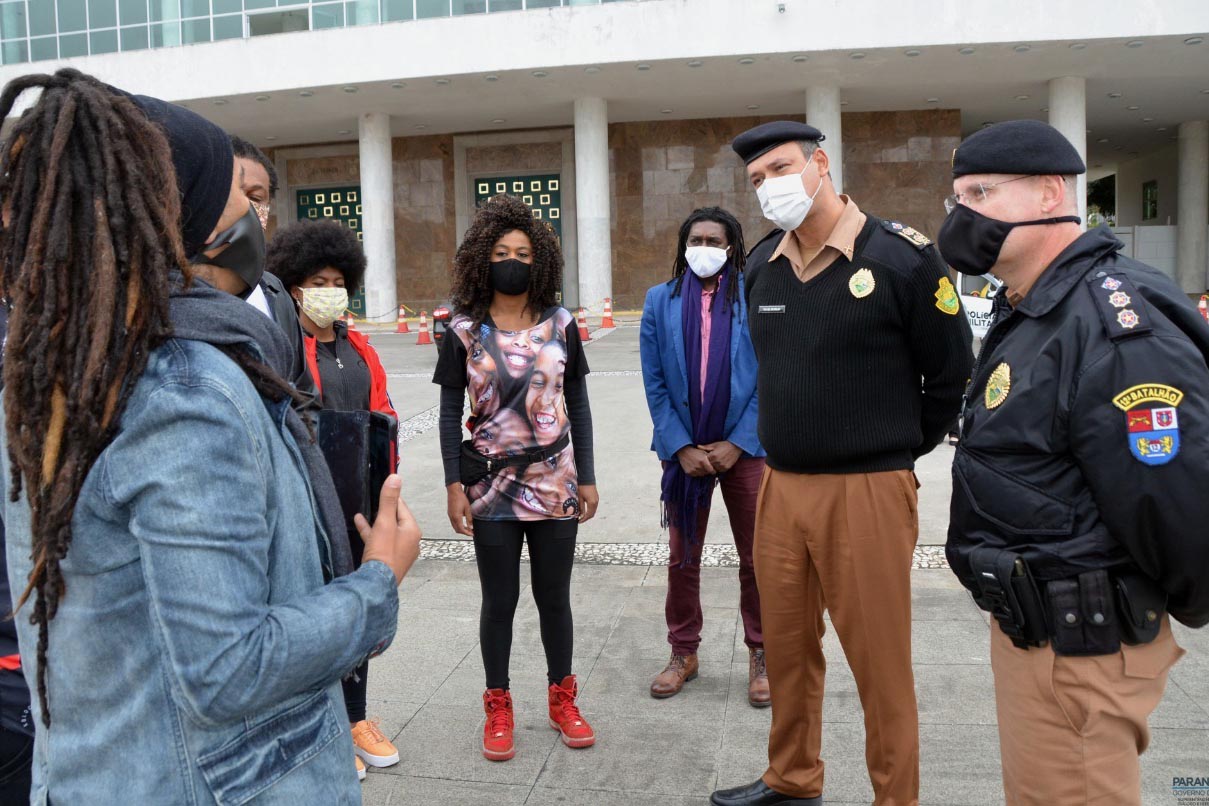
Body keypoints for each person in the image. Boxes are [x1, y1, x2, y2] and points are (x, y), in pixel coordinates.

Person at [0, 69, 420, 803]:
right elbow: (228, 670)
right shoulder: (183, 390)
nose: (256, 218)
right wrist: (378, 580)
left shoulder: (63, 368)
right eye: (237, 196)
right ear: (185, 217)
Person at [940, 119, 1209, 806]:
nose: (962, 215)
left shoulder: (1111, 320)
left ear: (1049, 193)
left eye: (981, 193)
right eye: (957, 199)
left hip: (1081, 647)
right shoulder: (1036, 307)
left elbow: (1171, 496)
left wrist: (1175, 601)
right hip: (1039, 632)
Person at [711, 121, 974, 806]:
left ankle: (896, 797)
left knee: (879, 663)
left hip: (866, 492)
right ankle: (792, 777)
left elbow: (951, 374)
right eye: (756, 179)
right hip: (781, 488)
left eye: (780, 168)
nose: (769, 186)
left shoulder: (900, 259)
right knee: (787, 650)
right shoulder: (760, 266)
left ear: (820, 163)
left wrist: (894, 450)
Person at [433, 194, 598, 762]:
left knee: (555, 598)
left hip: (556, 483)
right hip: (489, 489)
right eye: (502, 252)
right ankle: (498, 705)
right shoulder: (462, 330)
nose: (512, 261)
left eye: (523, 253)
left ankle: (562, 700)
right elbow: (449, 411)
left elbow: (577, 401)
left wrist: (587, 476)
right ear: (484, 257)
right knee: (498, 601)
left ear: (540, 260)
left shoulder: (562, 323)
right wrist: (453, 485)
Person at [266, 219, 400, 779]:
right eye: (318, 282)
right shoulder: (283, 348)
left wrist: (389, 486)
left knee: (359, 608)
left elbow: (383, 412)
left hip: (360, 499)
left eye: (339, 282)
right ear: (294, 287)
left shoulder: (357, 346)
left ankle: (357, 717)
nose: (330, 291)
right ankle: (327, 724)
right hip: (309, 500)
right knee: (319, 613)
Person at [638, 207, 768, 705]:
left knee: (756, 557)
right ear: (683, 245)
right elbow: (654, 382)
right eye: (697, 240)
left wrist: (740, 441)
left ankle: (762, 652)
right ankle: (683, 651)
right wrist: (680, 446)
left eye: (715, 240)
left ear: (732, 247)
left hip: (745, 448)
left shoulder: (754, 297)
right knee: (682, 556)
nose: (705, 248)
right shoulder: (660, 300)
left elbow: (769, 374)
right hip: (684, 452)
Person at [231, 135, 317, 406]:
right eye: (233, 195)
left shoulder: (274, 291)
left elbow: (303, 393)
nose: (245, 207)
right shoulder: (178, 291)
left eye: (255, 198)